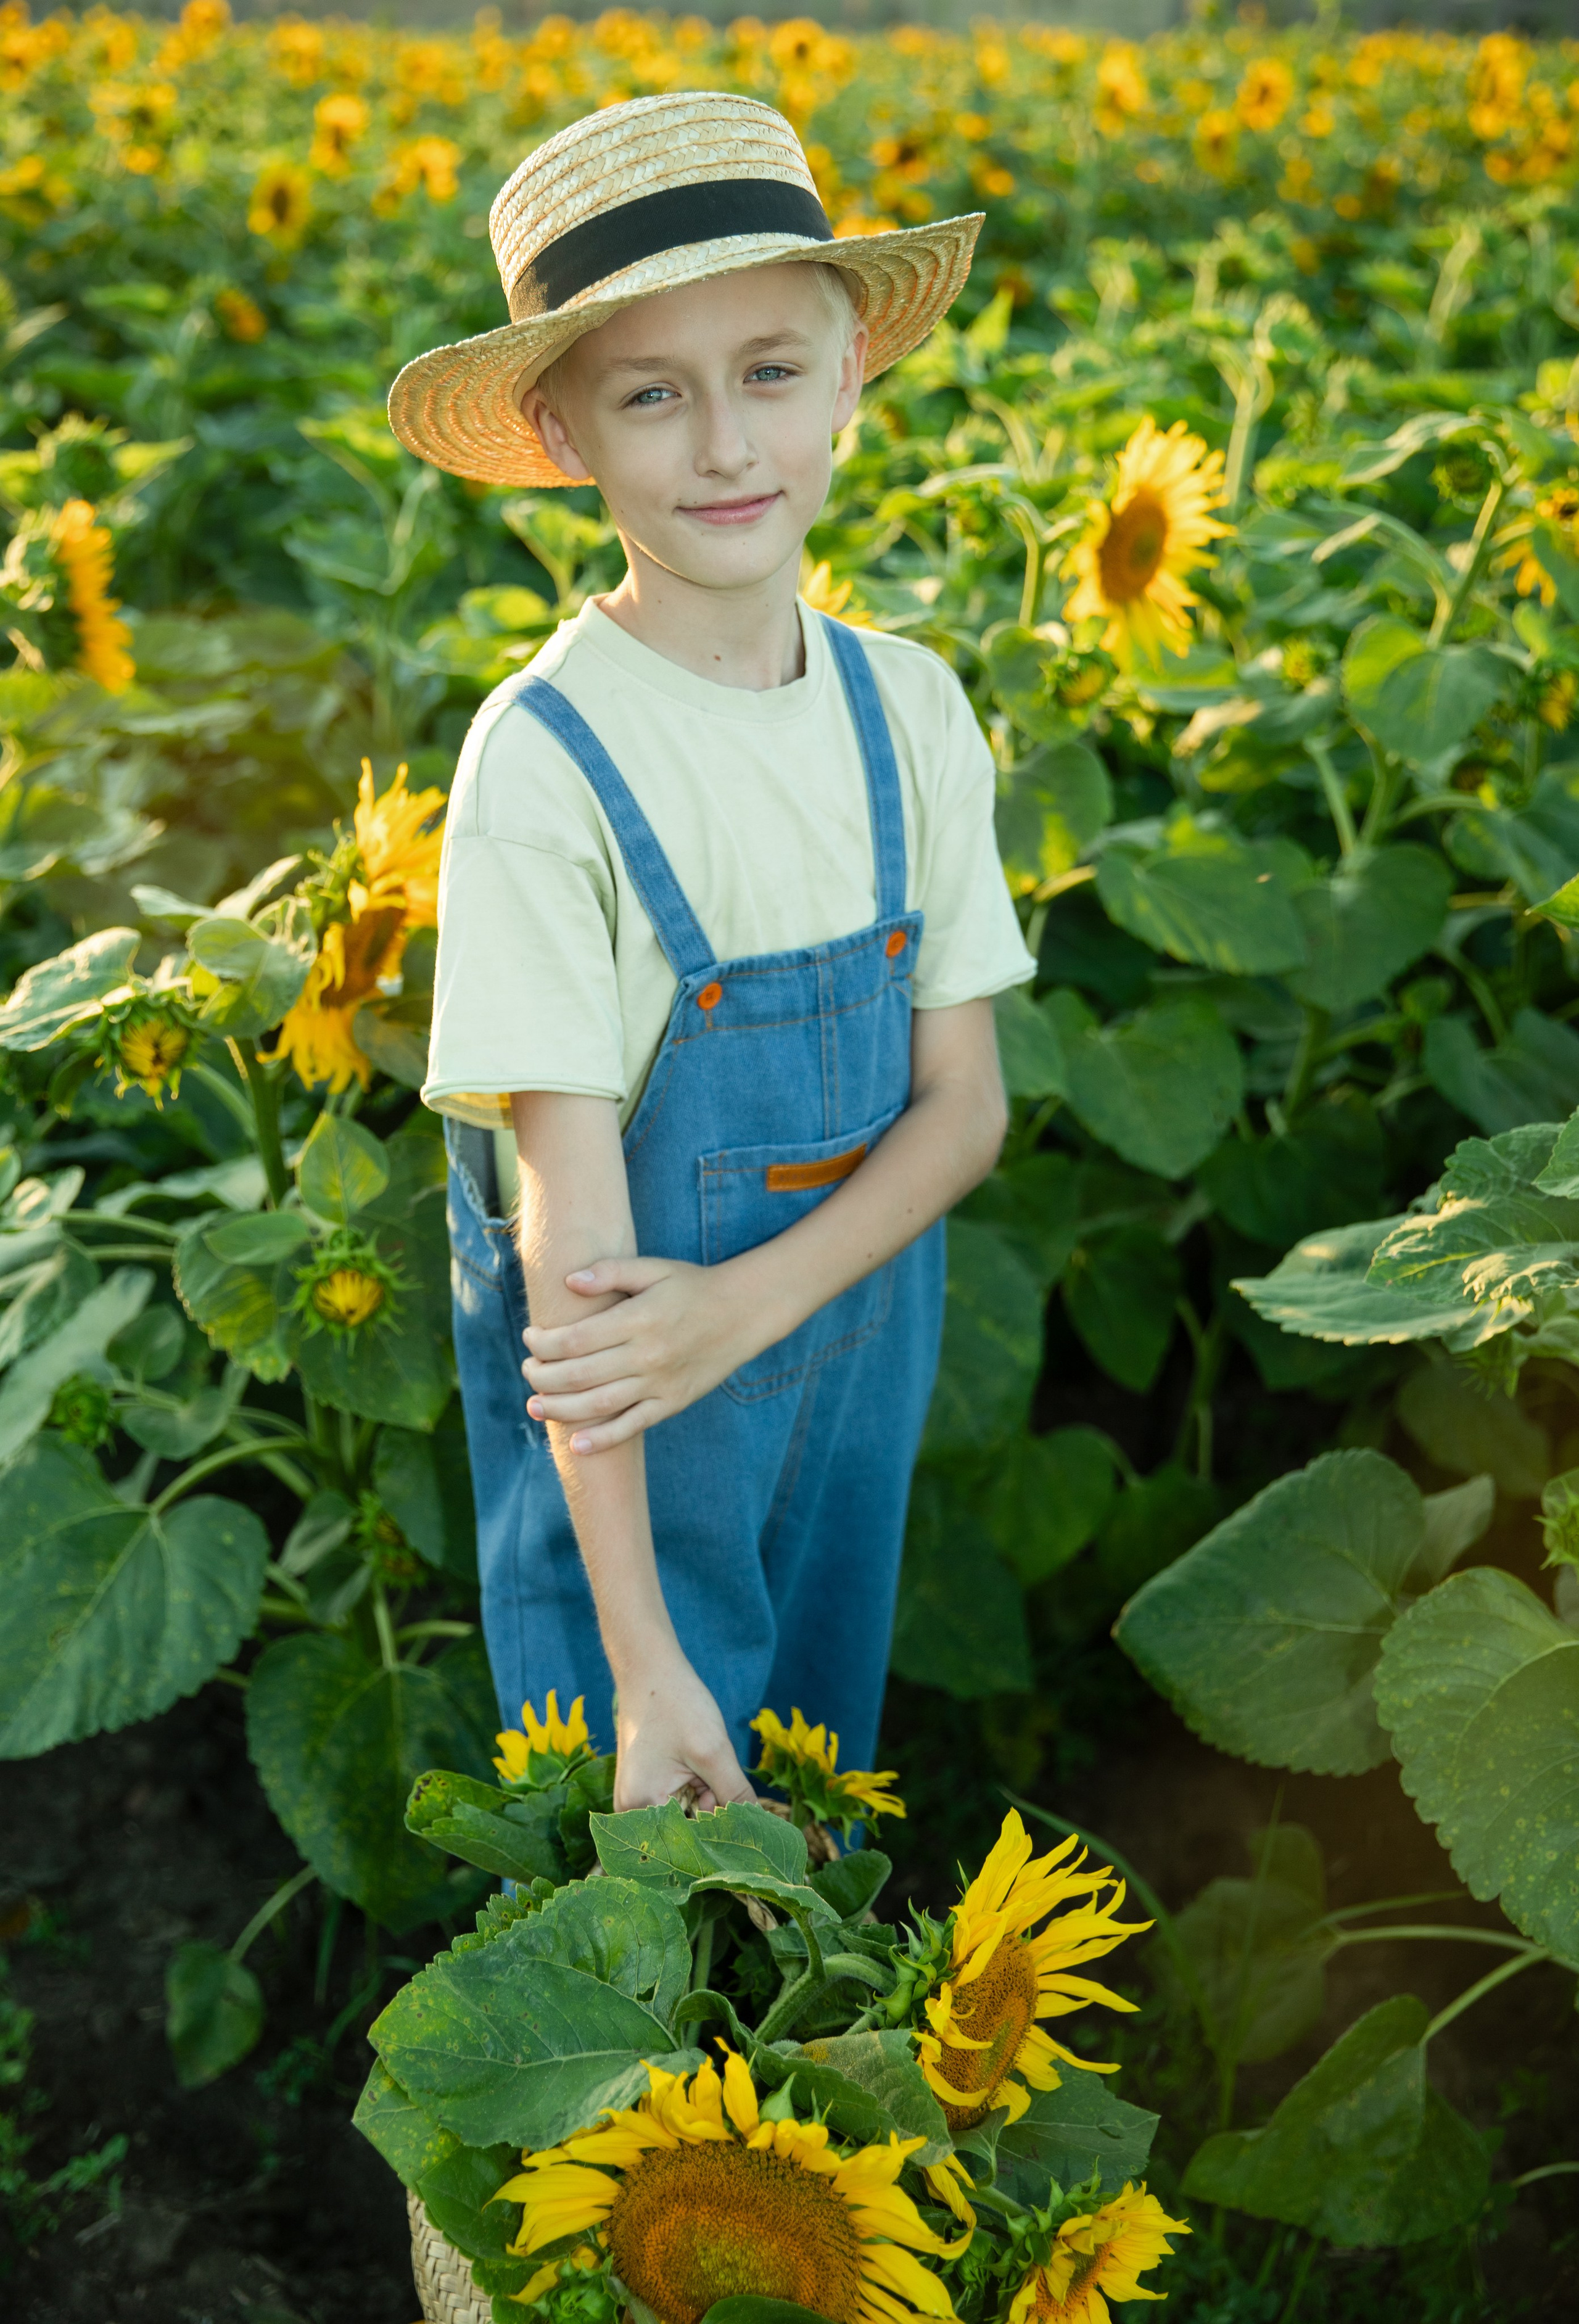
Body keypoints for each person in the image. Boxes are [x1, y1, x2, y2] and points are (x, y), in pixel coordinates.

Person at [389, 90, 1034, 1816]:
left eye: (769, 371)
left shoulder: (912, 710)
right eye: (652, 396)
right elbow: (580, 1274)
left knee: (814, 1826)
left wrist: (739, 1309)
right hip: (629, 1499)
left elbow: (966, 1108)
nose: (728, 445)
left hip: (851, 1419)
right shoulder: (547, 764)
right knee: (639, 1894)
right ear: (564, 431)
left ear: (849, 376)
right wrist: (644, 1661)